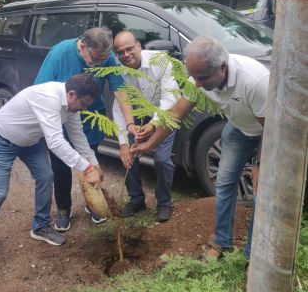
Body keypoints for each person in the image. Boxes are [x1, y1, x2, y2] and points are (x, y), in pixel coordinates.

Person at [132, 36, 269, 260]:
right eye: (194, 77)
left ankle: (251, 255)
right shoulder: (199, 78)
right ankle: (221, 241)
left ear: (223, 67)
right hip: (239, 128)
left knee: (261, 192)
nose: (197, 84)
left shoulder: (254, 80)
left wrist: (260, 165)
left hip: (268, 130)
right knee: (224, 183)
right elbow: (177, 113)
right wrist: (150, 144)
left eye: (203, 78)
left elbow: (271, 128)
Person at [0, 73, 102, 267]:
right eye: (83, 104)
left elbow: (78, 138)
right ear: (72, 94)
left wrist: (94, 164)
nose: (83, 109)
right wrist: (86, 168)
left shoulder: (71, 108)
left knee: (46, 176)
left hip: (31, 141)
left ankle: (40, 226)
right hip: (1, 139)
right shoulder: (49, 98)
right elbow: (56, 142)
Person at [34, 27, 133, 231]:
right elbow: (39, 90)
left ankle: (93, 204)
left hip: (91, 120)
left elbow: (120, 91)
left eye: (103, 60)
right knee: (61, 166)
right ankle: (63, 209)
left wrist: (130, 124)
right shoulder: (60, 54)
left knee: (90, 161)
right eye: (96, 59)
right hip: (62, 119)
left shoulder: (107, 57)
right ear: (82, 46)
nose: (99, 64)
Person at [112, 31, 179, 222]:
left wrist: (153, 124)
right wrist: (125, 138)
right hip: (137, 118)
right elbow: (119, 106)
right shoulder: (118, 70)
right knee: (128, 155)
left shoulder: (161, 61)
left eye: (129, 49)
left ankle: (164, 203)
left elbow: (170, 98)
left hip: (164, 116)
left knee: (162, 160)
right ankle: (136, 199)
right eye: (120, 52)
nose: (126, 55)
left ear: (139, 46)